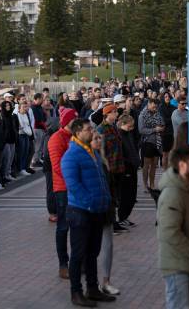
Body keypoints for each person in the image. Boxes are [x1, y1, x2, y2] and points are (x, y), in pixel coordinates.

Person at [61, 119, 115, 307]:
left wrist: (106, 200)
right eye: (88, 129)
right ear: (78, 132)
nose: (92, 131)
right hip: (80, 211)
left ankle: (92, 289)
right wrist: (90, 202)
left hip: (97, 210)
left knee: (93, 252)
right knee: (78, 254)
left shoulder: (91, 152)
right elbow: (73, 185)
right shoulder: (72, 155)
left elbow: (101, 179)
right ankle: (76, 292)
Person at [157, 145, 189, 309]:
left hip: (185, 264)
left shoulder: (186, 187)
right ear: (182, 165)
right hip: (178, 267)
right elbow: (169, 232)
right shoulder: (173, 193)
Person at [48, 108, 78, 279]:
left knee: (77, 227)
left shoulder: (75, 137)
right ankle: (63, 264)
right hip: (64, 189)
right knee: (63, 227)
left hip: (76, 188)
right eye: (74, 121)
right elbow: (58, 167)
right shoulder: (56, 139)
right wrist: (74, 179)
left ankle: (76, 262)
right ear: (67, 122)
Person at [91, 131, 120, 296]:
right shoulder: (89, 159)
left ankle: (106, 281)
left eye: (99, 137)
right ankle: (94, 281)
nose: (99, 140)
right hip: (94, 207)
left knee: (108, 245)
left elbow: (110, 184)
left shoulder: (103, 159)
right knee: (93, 246)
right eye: (95, 137)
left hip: (107, 206)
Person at [97, 104, 126, 232]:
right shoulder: (101, 129)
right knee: (110, 196)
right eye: (114, 112)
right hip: (109, 167)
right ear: (107, 114)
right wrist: (106, 167)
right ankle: (110, 223)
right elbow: (101, 150)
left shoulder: (114, 127)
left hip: (118, 165)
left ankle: (114, 221)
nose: (116, 114)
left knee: (116, 196)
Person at [118, 115, 140, 229]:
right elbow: (122, 154)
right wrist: (129, 163)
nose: (131, 128)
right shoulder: (120, 135)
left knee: (132, 195)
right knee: (126, 196)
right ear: (122, 124)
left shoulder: (128, 134)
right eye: (129, 126)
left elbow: (133, 149)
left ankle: (125, 217)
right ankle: (122, 217)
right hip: (126, 169)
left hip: (133, 167)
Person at [138, 98, 165, 192]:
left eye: (156, 107)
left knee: (154, 164)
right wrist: (154, 130)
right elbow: (141, 130)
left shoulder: (157, 113)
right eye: (153, 106)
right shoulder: (142, 115)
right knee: (146, 165)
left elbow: (162, 124)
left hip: (157, 142)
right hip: (147, 142)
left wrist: (161, 128)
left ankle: (152, 184)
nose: (155, 108)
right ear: (149, 104)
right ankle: (145, 185)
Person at [15, 101, 34, 176]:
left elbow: (28, 125)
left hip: (27, 135)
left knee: (26, 152)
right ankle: (20, 169)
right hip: (21, 135)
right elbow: (21, 126)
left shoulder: (26, 114)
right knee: (21, 152)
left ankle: (24, 168)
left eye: (26, 107)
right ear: (19, 108)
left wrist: (30, 134)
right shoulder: (17, 115)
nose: (25, 109)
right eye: (23, 107)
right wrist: (28, 132)